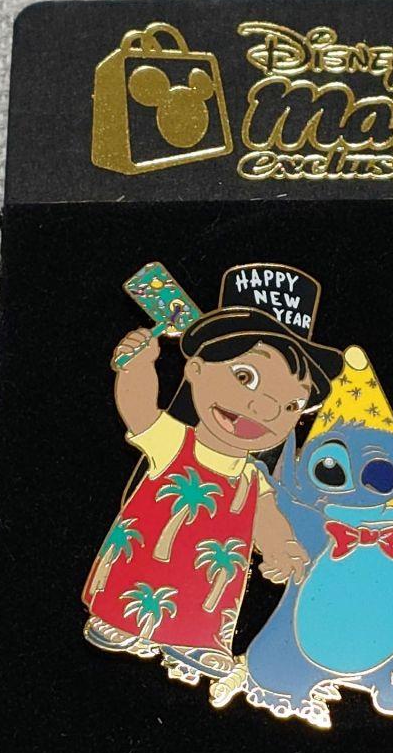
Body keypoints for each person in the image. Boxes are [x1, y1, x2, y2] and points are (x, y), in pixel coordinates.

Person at [82, 264, 343, 685]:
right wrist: (137, 366)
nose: (266, 409)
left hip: (207, 585)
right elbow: (139, 408)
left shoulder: (252, 478)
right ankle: (119, 619)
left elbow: (266, 518)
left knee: (210, 592)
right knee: (140, 579)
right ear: (196, 370)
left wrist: (281, 548)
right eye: (245, 377)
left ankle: (197, 639)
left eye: (291, 404)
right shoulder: (175, 441)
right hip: (145, 565)